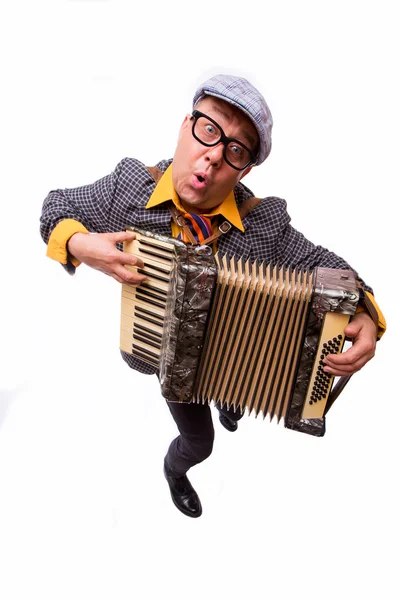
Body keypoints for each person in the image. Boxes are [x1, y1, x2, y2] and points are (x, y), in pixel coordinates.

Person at [40, 74, 386, 519]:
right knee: (200, 442)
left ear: (245, 169)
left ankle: (230, 396)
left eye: (236, 151)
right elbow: (55, 208)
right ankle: (174, 470)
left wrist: (366, 312)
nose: (215, 155)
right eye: (208, 130)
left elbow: (329, 266)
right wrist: (78, 245)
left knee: (238, 385)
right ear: (185, 125)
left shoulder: (264, 226)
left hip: (233, 353)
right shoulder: (128, 189)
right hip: (170, 356)